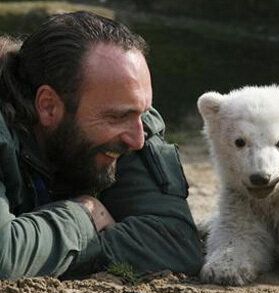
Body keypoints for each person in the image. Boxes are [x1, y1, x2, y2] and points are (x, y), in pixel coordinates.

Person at [0, 11, 202, 279]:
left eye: (141, 113)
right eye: (118, 117)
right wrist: (84, 217)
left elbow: (174, 243)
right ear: (48, 106)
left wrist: (41, 251)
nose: (137, 139)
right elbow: (4, 258)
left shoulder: (129, 118)